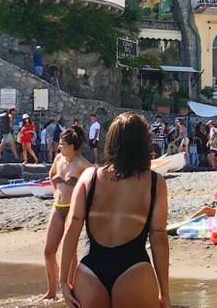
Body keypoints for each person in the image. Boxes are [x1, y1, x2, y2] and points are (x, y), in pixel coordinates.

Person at [59, 112, 169, 308]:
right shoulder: (154, 182)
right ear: (143, 143)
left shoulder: (89, 177)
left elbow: (72, 227)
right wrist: (165, 293)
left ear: (111, 141)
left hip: (90, 270)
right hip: (134, 269)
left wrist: (63, 282)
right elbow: (158, 236)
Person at [41, 124, 88, 301]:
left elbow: (92, 183)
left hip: (72, 209)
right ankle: (51, 291)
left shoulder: (83, 164)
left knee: (70, 252)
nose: (59, 146)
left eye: (62, 143)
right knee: (48, 250)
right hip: (58, 207)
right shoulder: (59, 159)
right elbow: (52, 174)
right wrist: (56, 190)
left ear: (72, 146)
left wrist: (72, 184)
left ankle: (72, 290)